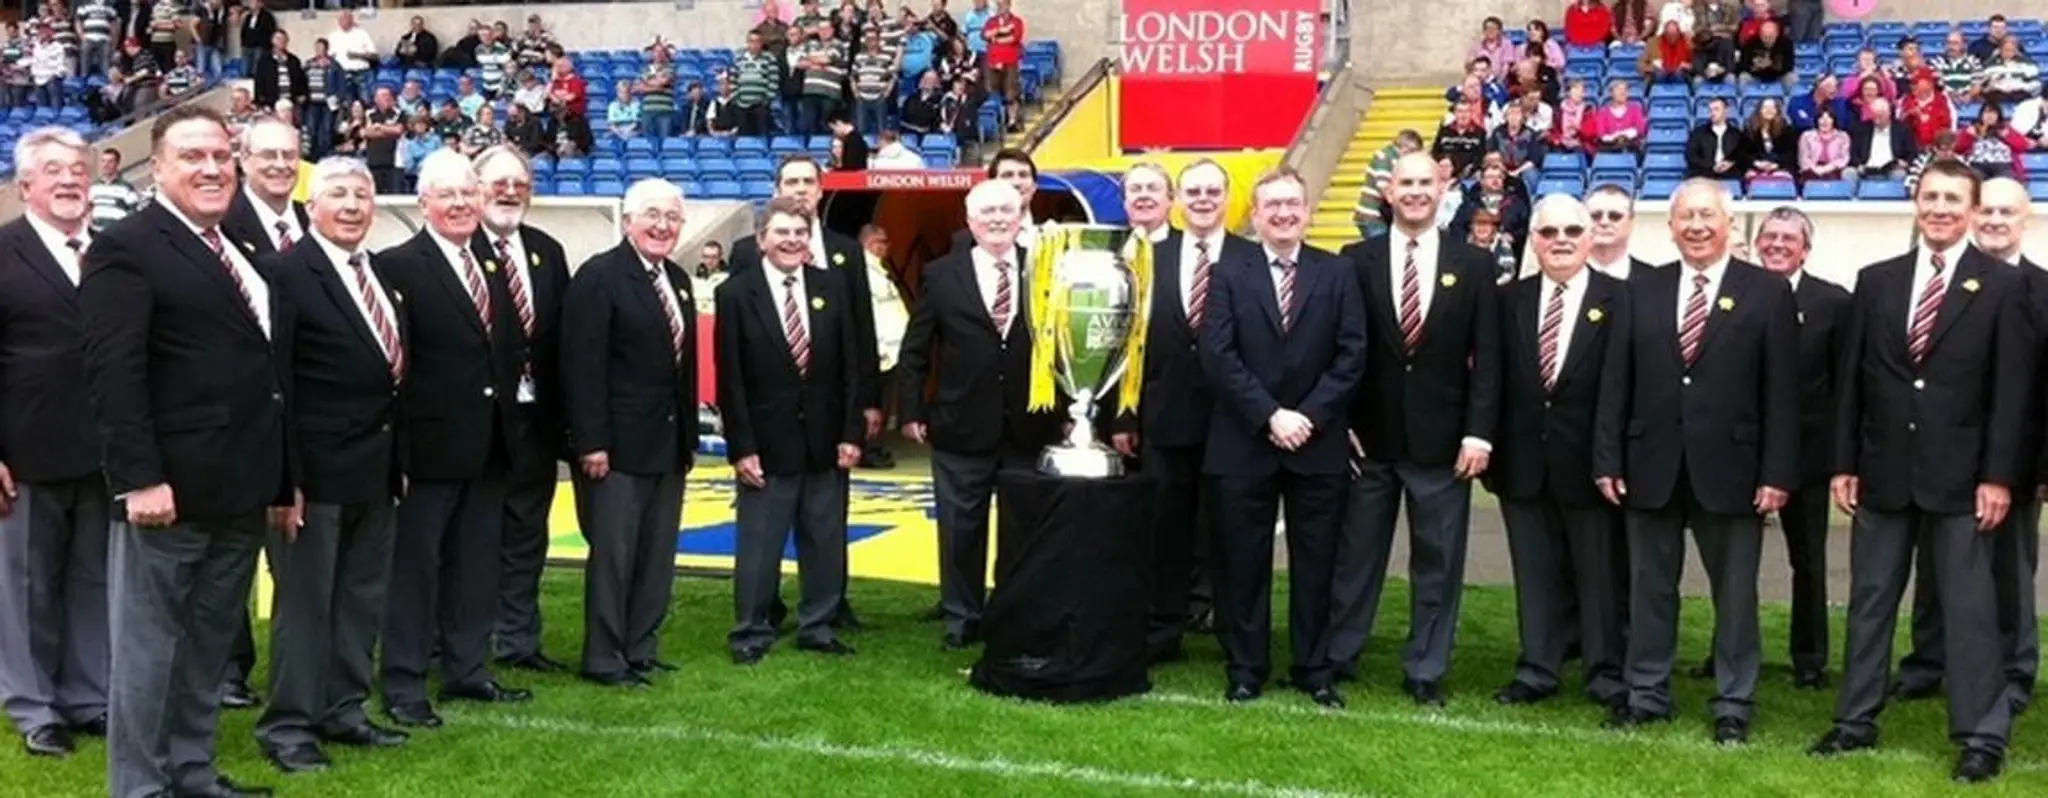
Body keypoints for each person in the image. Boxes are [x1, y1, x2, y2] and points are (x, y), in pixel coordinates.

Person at [82, 103, 291, 798]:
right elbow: (114, 372)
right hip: (168, 495)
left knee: (205, 647)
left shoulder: (240, 249)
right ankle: (139, 786)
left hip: (240, 489)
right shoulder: (127, 246)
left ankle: (191, 773)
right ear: (158, 168)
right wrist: (138, 478)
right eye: (192, 157)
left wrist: (282, 480)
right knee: (148, 653)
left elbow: (265, 372)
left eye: (219, 157)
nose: (210, 169)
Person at [1809, 160, 2027, 784]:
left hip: (1964, 480)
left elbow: (2010, 395)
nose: (1938, 208)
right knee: (1871, 601)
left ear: (1973, 208)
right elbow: (1854, 380)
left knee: (1969, 609)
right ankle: (1854, 721)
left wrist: (1998, 477)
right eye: (1929, 196)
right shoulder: (1877, 281)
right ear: (1915, 202)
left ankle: (1981, 736)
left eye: (1951, 199)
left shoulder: (2003, 286)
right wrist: (1844, 461)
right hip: (1882, 471)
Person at [1593, 178, 1798, 744]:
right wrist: (1608, 457)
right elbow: (1616, 382)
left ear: (1729, 224)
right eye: (1687, 217)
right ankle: (1646, 693)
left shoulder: (1767, 292)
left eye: (1708, 215)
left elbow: (1782, 392)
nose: (1698, 226)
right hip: (1649, 464)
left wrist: (1777, 473)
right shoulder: (1641, 289)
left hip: (1732, 469)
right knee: (1649, 588)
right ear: (1671, 226)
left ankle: (1733, 700)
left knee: (1735, 594)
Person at [252, 157, 410, 774]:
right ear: (309, 205)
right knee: (306, 605)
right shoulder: (284, 274)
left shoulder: (377, 275)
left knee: (360, 599)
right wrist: (283, 478)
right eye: (338, 194)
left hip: (375, 470)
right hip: (312, 476)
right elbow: (277, 384)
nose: (351, 205)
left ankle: (343, 709)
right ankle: (288, 725)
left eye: (362, 195)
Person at [1330, 152, 1500, 705]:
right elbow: (1340, 351)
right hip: (1368, 439)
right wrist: (1340, 423)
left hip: (1443, 444)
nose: (1416, 192)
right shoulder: (1354, 259)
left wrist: (1479, 433)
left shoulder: (1473, 264)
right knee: (1355, 557)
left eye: (1426, 182)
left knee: (1439, 560)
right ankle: (1338, 654)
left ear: (1442, 186)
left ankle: (1426, 666)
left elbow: (1488, 360)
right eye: (1406, 182)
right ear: (1388, 189)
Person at [375, 149, 533, 730]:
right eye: (449, 195)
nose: (462, 204)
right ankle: (404, 683)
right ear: (424, 204)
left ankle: (469, 669)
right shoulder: (397, 266)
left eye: (470, 194)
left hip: (488, 447)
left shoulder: (490, 263)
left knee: (475, 568)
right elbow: (395, 367)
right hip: (429, 452)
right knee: (415, 574)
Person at [1200, 167, 1366, 707]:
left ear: (1307, 209)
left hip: (1316, 445)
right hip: (1244, 440)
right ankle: (1246, 667)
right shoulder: (1227, 272)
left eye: (1293, 203)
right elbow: (1217, 355)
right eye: (1272, 205)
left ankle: (1314, 668)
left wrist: (1307, 417)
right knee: (1243, 563)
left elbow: (1351, 355)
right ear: (1255, 212)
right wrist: (1271, 415)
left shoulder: (1337, 272)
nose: (1283, 213)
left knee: (1316, 564)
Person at [895, 179, 1064, 650]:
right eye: (986, 211)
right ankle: (961, 617)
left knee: (1022, 530)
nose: (996, 219)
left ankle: (1013, 612)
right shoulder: (941, 274)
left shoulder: (1045, 270)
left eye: (1006, 211)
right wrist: (910, 409)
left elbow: (1063, 347)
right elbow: (916, 349)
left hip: (1030, 426)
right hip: (959, 425)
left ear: (1020, 217)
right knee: (959, 530)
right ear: (969, 221)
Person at [1685, 208, 1848, 690]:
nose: (1778, 244)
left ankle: (1810, 657)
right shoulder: (1739, 292)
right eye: (1770, 237)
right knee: (1732, 564)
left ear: (1806, 248)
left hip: (1808, 457)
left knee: (1808, 559)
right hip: (1742, 455)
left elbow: (1842, 388)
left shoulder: (1833, 303)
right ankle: (1726, 653)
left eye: (1789, 238)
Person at [1108, 159, 1259, 663]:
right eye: (1192, 191)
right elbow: (1130, 344)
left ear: (1227, 196)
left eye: (1212, 191)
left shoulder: (1249, 257)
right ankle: (1162, 630)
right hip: (1164, 415)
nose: (1202, 199)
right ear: (1178, 199)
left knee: (1231, 530)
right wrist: (1126, 416)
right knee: (1165, 531)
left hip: (1233, 418)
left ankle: (1234, 633)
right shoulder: (1150, 257)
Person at [1487, 193, 1630, 709]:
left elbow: (1625, 388)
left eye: (1573, 231)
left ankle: (1605, 672)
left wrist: (1611, 458)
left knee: (1600, 575)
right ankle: (1537, 668)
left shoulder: (1623, 299)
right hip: (1522, 462)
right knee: (1534, 572)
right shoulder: (1508, 300)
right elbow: (1492, 380)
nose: (1561, 241)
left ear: (1590, 237)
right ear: (1535, 241)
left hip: (1592, 465)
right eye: (1549, 234)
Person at [561, 178, 699, 685]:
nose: (662, 226)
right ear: (628, 221)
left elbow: (681, 370)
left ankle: (641, 646)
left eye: (672, 217)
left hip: (667, 444)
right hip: (616, 447)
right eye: (652, 215)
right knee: (614, 557)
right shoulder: (600, 277)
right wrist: (591, 441)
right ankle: (604, 656)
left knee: (657, 553)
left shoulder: (678, 279)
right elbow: (582, 364)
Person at [718, 197, 865, 665]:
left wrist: (851, 433)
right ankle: (750, 630)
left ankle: (817, 625)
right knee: (760, 544)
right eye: (782, 232)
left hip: (825, 441)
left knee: (823, 540)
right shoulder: (736, 294)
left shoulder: (832, 286)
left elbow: (851, 368)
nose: (791, 240)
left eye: (800, 233)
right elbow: (731, 378)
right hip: (766, 442)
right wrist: (741, 447)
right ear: (763, 240)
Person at [0, 128, 109, 760]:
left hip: (102, 456)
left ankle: (88, 696)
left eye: (78, 170)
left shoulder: (110, 254)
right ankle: (33, 707)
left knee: (92, 580)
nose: (70, 180)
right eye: (53, 171)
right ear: (25, 187)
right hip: (27, 457)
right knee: (27, 588)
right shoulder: (4, 252)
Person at [467, 146, 575, 676]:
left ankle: (518, 641)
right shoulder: (457, 248)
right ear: (475, 186)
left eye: (520, 184)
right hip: (478, 426)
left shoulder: (547, 252)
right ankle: (461, 643)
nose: (510, 192)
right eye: (499, 182)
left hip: (536, 425)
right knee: (470, 538)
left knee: (527, 535)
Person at [1585, 184, 1652, 280]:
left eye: (1615, 216)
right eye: (1595, 216)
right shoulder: (1565, 277)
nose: (1604, 222)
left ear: (1631, 222)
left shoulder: (1654, 279)